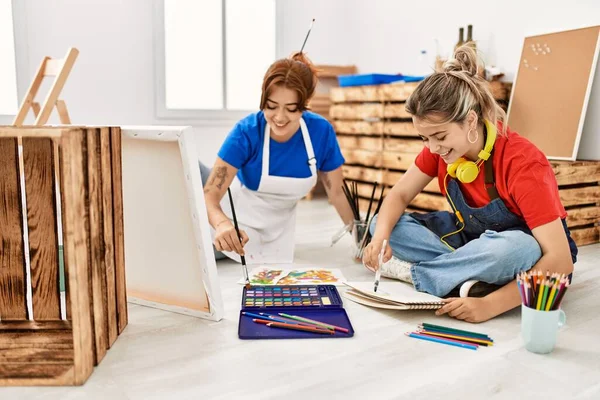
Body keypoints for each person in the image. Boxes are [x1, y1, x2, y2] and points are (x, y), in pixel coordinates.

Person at [362, 45, 577, 323]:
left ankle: (417, 274)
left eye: (439, 136)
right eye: (424, 139)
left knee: (516, 248)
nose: (433, 148)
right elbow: (400, 194)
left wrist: (489, 305)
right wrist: (380, 239)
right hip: (471, 241)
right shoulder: (438, 148)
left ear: (471, 121)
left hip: (528, 251)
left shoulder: (524, 163)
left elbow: (560, 261)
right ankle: (467, 276)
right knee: (383, 223)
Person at [200, 52, 354, 264]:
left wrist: (362, 241)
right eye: (271, 107)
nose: (280, 118)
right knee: (188, 167)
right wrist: (222, 224)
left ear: (305, 103)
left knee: (218, 252)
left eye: (291, 109)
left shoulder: (320, 132)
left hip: (276, 231)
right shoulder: (247, 131)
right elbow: (209, 195)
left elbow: (337, 193)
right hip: (231, 212)